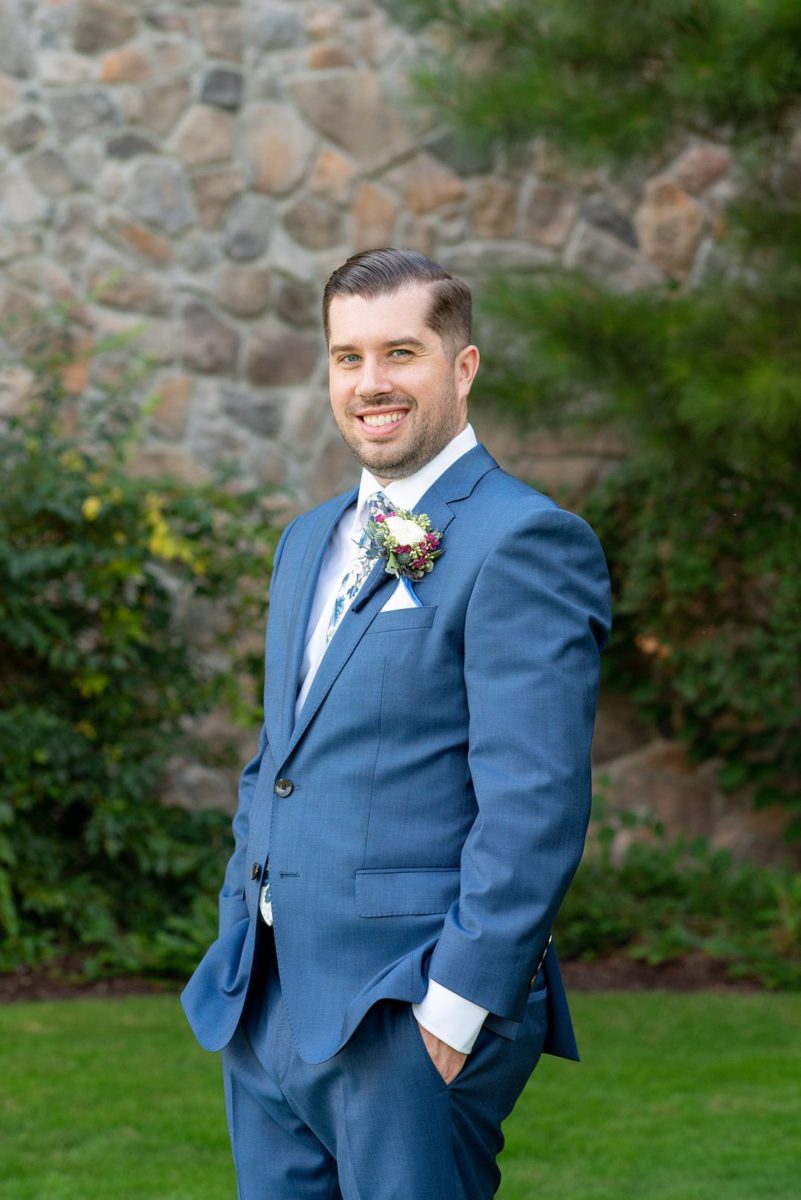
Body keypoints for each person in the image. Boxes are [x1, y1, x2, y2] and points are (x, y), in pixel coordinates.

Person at [182, 247, 611, 1199]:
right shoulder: (308, 539)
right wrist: (239, 930)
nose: (370, 383)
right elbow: (278, 759)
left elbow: (533, 804)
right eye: (347, 357)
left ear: (461, 367)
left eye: (401, 353)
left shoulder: (525, 540)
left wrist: (451, 1015)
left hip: (405, 1007)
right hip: (265, 998)